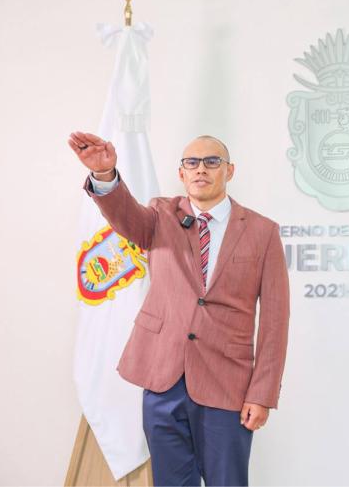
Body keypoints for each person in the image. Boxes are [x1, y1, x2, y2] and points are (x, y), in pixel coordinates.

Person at [68, 131, 289, 486]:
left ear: (229, 171)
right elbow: (125, 216)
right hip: (163, 380)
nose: (201, 169)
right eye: (192, 162)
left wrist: (262, 394)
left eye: (212, 161)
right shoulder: (159, 215)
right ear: (181, 174)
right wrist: (106, 175)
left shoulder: (263, 232)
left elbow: (276, 323)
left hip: (227, 384)